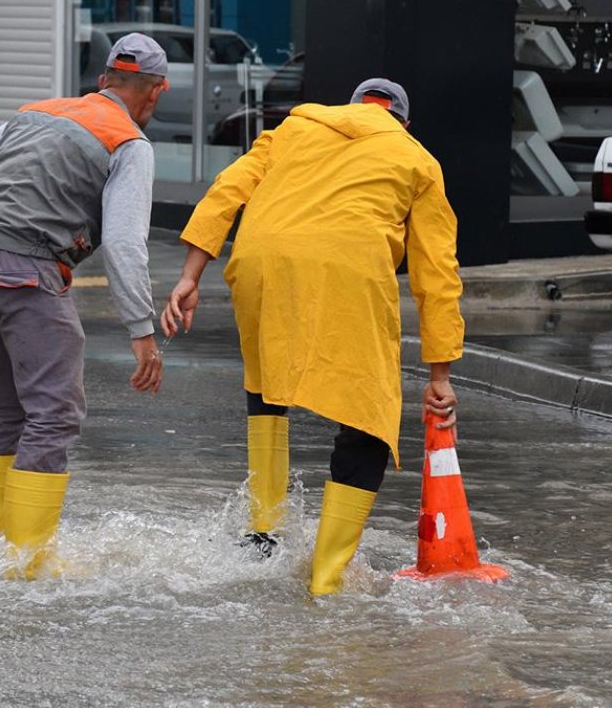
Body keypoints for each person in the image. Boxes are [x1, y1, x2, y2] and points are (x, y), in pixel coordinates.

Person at [161, 78, 464, 596]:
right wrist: (440, 374)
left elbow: (225, 193)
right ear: (403, 122)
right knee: (368, 415)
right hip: (349, 269)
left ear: (349, 110)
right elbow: (437, 272)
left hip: (260, 260)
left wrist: (191, 275)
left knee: (266, 382)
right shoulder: (417, 160)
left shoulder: (293, 128)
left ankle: (264, 534)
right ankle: (327, 577)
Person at [0, 33, 170, 579]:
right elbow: (123, 241)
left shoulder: (36, 112)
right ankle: (25, 568)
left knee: (2, 412)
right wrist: (142, 329)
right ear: (157, 93)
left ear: (102, 81)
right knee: (53, 413)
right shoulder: (129, 142)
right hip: (28, 269)